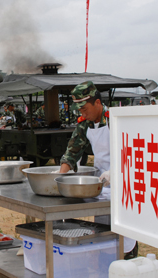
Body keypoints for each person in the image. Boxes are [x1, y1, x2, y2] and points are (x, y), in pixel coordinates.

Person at [58, 81, 137, 259]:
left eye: (85, 109)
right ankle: (105, 264)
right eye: (80, 111)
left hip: (125, 182)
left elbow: (131, 152)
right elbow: (72, 151)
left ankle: (129, 263)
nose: (83, 113)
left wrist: (116, 172)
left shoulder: (115, 119)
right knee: (103, 231)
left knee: (124, 232)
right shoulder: (84, 124)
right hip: (103, 184)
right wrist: (59, 176)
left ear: (98, 103)